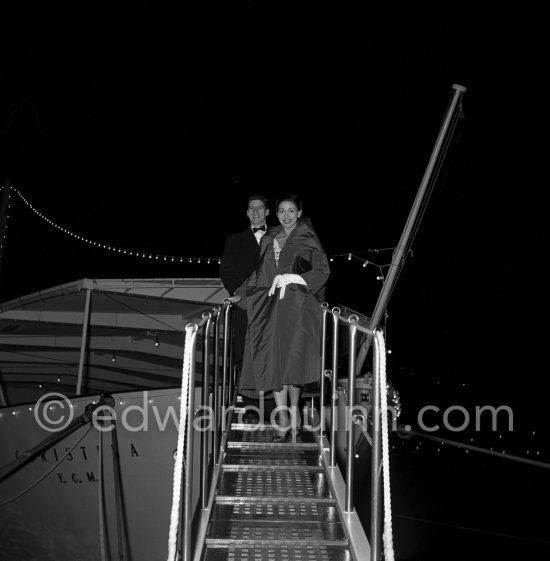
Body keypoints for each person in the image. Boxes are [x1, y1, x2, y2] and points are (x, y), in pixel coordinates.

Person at [233, 193, 330, 442]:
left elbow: (322, 269)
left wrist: (296, 278)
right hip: (273, 307)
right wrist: (241, 293)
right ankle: (284, 417)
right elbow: (260, 274)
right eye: (281, 212)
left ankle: (295, 411)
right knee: (275, 358)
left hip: (298, 307)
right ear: (276, 214)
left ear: (299, 213)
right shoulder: (270, 236)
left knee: (293, 361)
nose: (286, 216)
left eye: (291, 211)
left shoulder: (307, 235)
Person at [220, 194, 270, 420]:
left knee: (270, 353)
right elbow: (227, 271)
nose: (256, 212)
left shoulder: (280, 237)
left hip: (272, 305)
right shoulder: (234, 239)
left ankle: (271, 406)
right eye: (252, 209)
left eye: (260, 208)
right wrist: (237, 295)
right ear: (247, 213)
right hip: (245, 305)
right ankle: (249, 405)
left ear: (267, 212)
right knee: (245, 354)